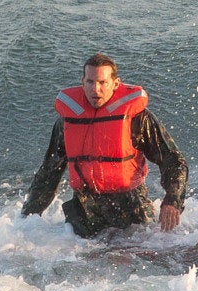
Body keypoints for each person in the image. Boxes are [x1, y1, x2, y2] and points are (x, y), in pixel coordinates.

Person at [21, 53, 188, 238]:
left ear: (115, 84)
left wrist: (172, 200)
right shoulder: (67, 121)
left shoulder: (138, 118)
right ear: (82, 82)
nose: (96, 89)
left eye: (102, 82)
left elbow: (173, 161)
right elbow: (49, 172)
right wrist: (26, 220)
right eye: (90, 82)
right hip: (84, 209)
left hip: (130, 207)